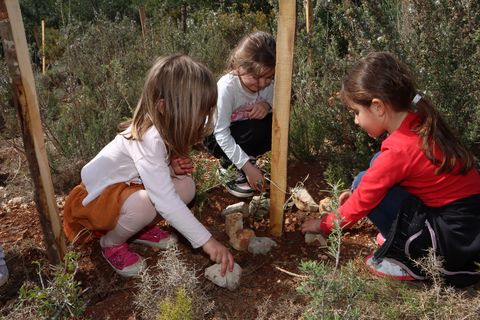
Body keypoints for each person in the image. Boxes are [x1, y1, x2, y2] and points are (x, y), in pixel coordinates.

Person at [301, 52, 480, 287]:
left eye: (356, 112)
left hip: (454, 237)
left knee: (367, 185)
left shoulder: (399, 151)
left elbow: (362, 203)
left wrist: (323, 224)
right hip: (468, 222)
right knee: (368, 175)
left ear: (377, 107)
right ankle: (403, 237)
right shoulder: (418, 119)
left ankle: (409, 260)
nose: (356, 120)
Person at [63, 54, 234, 278]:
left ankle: (138, 229)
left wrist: (172, 170)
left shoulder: (162, 130)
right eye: (199, 112)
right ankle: (110, 243)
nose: (203, 119)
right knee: (146, 204)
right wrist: (207, 242)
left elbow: (148, 176)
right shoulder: (149, 138)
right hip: (95, 201)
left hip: (124, 189)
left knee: (186, 186)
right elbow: (164, 200)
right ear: (163, 107)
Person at [204, 31, 276, 198]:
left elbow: (277, 107)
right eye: (256, 77)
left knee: (273, 124)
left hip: (245, 132)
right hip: (216, 138)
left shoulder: (268, 84)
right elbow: (220, 132)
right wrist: (248, 169)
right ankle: (228, 167)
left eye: (268, 77)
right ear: (239, 66)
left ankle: (246, 159)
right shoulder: (227, 88)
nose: (262, 83)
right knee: (251, 128)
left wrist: (267, 105)